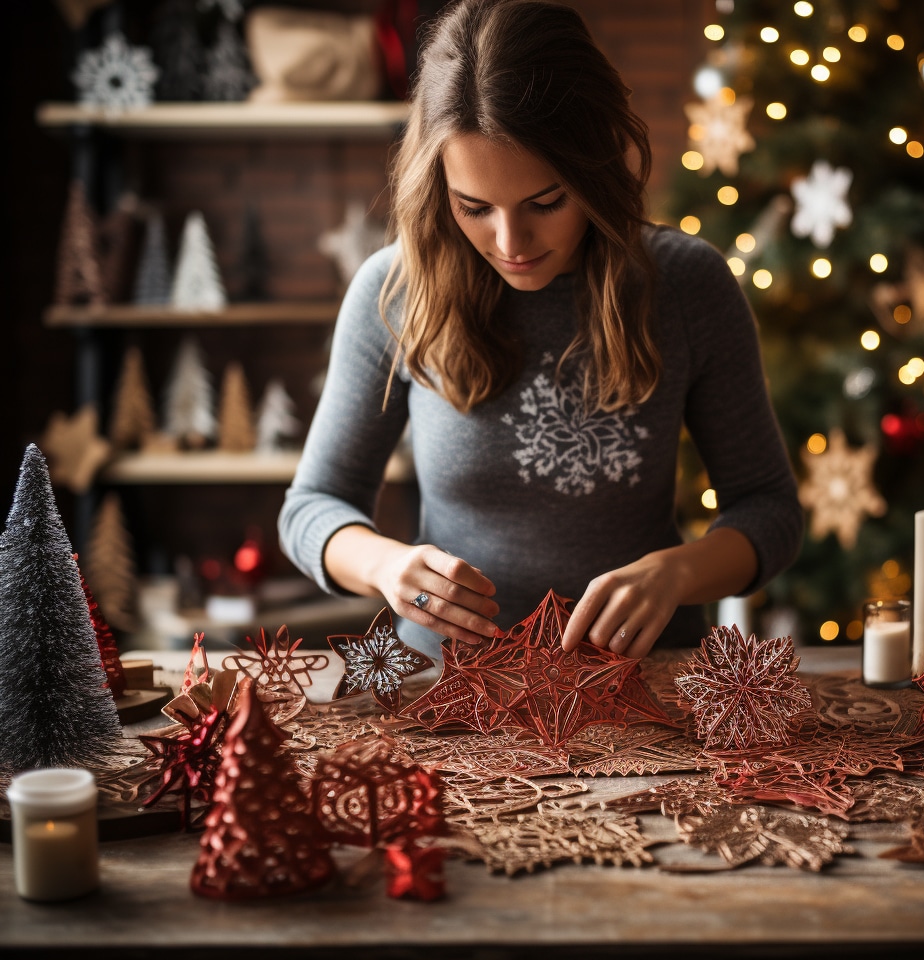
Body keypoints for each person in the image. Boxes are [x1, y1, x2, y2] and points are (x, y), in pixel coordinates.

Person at [279, 0, 803, 661]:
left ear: (596, 171)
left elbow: (769, 511)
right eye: (474, 207)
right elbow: (311, 509)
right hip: (450, 691)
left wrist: (678, 572)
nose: (510, 242)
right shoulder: (395, 292)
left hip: (644, 686)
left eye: (545, 203)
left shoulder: (685, 286)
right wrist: (386, 566)